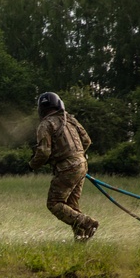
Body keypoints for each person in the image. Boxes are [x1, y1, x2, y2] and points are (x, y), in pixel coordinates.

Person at [29, 92, 99, 241]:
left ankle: (87, 223)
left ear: (41, 109)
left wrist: (32, 164)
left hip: (67, 167)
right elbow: (86, 140)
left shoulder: (45, 125)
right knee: (71, 206)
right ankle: (80, 241)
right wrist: (77, 157)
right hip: (82, 164)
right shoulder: (71, 120)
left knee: (54, 203)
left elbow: (43, 152)